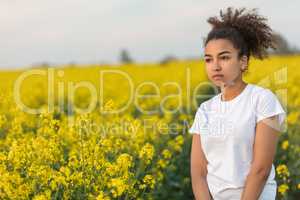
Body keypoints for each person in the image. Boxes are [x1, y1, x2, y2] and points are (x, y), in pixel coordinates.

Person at [189, 7, 286, 200]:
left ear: (243, 62)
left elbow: (261, 169)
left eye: (224, 57)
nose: (215, 66)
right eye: (209, 59)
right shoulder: (205, 110)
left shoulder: (263, 100)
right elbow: (198, 172)